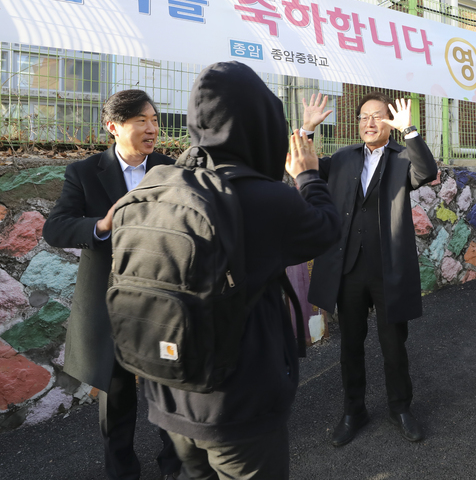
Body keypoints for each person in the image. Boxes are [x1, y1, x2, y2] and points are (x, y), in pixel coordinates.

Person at [142, 62, 341, 479]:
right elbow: (325, 229)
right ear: (259, 124)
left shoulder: (162, 185)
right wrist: (308, 175)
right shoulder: (263, 197)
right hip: (237, 403)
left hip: (169, 391)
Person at [43, 90, 182, 480]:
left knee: (167, 388)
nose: (152, 128)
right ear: (113, 127)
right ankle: (122, 471)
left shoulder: (170, 170)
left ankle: (174, 464)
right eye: (141, 120)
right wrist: (100, 226)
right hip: (109, 300)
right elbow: (55, 228)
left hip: (160, 300)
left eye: (154, 119)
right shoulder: (85, 173)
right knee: (116, 393)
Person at [301, 91, 438, 446]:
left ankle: (400, 407)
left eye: (378, 116)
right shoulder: (344, 158)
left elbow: (427, 172)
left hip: (388, 267)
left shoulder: (402, 157)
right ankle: (353, 410)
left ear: (389, 124)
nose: (370, 123)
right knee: (350, 346)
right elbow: (304, 165)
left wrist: (410, 132)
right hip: (348, 267)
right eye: (363, 117)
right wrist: (307, 130)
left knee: (394, 344)